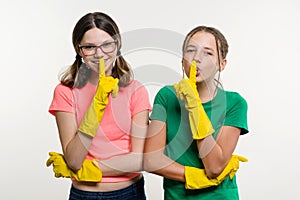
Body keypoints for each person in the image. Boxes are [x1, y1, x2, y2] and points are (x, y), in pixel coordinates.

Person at [46, 12, 151, 200]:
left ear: (117, 46)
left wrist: (88, 168)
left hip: (129, 193)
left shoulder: (136, 91)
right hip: (83, 195)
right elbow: (74, 159)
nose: (99, 53)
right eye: (89, 47)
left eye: (107, 44)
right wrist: (97, 103)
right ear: (79, 50)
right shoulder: (65, 92)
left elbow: (138, 160)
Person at [143, 25, 249, 199]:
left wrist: (195, 107)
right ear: (182, 60)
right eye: (191, 50)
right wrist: (195, 177)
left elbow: (214, 166)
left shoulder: (234, 103)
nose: (197, 59)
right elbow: (151, 160)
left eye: (208, 53)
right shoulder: (167, 97)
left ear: (222, 64)